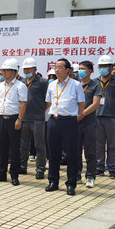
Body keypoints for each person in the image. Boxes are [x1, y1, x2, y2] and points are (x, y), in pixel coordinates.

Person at [44, 58, 86, 196]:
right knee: (53, 153)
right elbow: (48, 103)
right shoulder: (51, 85)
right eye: (55, 67)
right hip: (54, 121)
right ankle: (53, 181)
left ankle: (71, 184)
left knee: (71, 153)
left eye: (60, 67)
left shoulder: (76, 85)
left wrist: (78, 116)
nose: (56, 70)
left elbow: (81, 103)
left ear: (68, 70)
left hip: (69, 121)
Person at [0, 58, 27, 186]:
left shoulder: (20, 86)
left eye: (7, 70)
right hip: (1, 118)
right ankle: (2, 173)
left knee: (14, 148)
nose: (4, 73)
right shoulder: (0, 85)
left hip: (14, 119)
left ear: (14, 72)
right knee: (2, 147)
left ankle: (14, 175)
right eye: (3, 70)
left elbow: (23, 104)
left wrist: (19, 119)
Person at [19, 57, 49, 180]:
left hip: (38, 119)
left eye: (29, 68)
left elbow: (48, 100)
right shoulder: (22, 82)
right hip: (24, 118)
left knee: (39, 145)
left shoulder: (42, 82)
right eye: (25, 69)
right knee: (23, 145)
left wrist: (41, 111)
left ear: (35, 69)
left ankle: (40, 169)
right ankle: (22, 166)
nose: (26, 71)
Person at [77, 60, 102, 188]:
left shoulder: (95, 85)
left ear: (90, 71)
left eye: (83, 69)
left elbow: (95, 104)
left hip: (89, 123)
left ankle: (90, 176)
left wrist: (82, 114)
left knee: (90, 151)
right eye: (79, 68)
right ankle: (76, 175)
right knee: (75, 151)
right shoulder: (75, 84)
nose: (80, 71)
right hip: (75, 122)